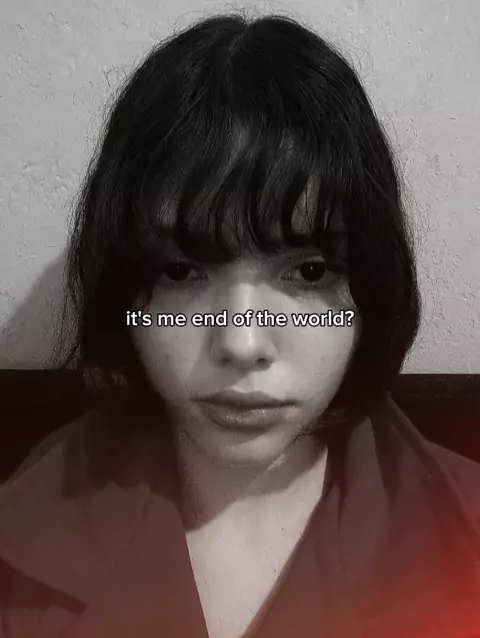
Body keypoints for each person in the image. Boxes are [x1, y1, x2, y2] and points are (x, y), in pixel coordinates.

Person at [1, 10, 480, 638]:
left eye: (308, 272)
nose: (242, 342)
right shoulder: (21, 543)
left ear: (370, 285)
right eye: (181, 271)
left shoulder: (464, 536)